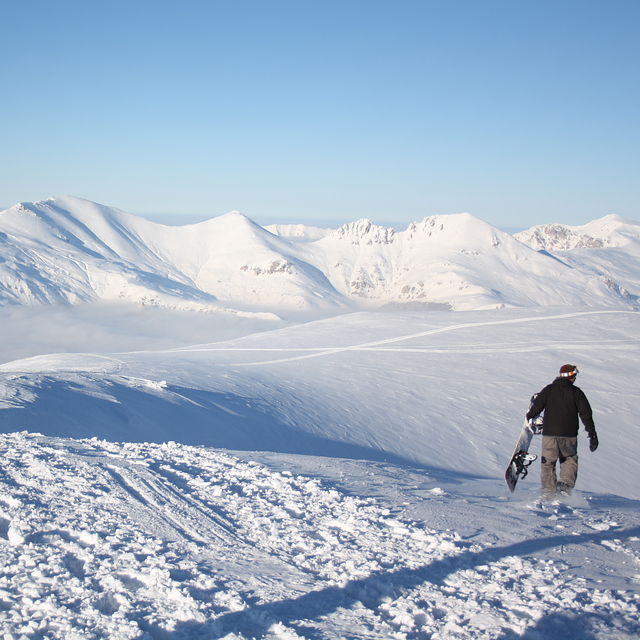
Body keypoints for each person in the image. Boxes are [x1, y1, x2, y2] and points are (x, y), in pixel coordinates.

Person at [526, 364, 598, 499]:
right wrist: (592, 434)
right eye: (574, 375)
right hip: (569, 435)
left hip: (550, 435)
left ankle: (549, 493)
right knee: (569, 459)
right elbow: (586, 415)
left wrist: (529, 418)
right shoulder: (577, 393)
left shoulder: (549, 390)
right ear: (570, 376)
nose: (575, 378)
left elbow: (537, 408)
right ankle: (565, 487)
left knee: (548, 463)